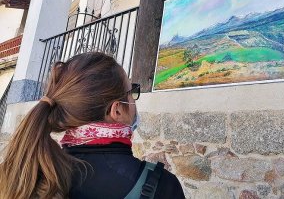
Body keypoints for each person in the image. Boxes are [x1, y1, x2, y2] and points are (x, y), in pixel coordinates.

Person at [0, 52, 185, 199]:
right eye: (131, 92)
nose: (134, 100)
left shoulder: (30, 175)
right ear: (117, 110)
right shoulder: (163, 187)